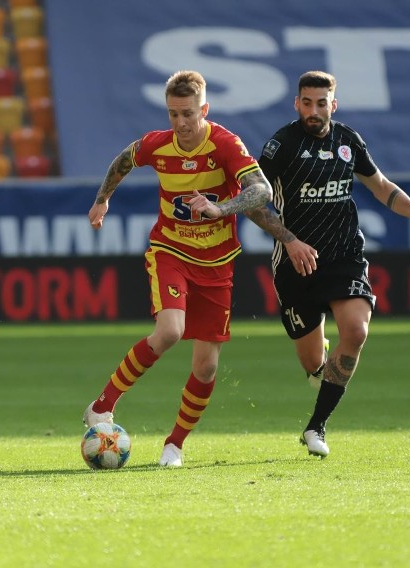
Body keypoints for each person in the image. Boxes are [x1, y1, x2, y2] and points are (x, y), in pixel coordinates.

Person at [247, 70, 410, 458]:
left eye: (322, 103)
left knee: (355, 332)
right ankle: (318, 354)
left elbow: (382, 186)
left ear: (333, 105)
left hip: (344, 258)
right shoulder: (281, 145)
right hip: (296, 263)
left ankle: (316, 427)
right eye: (307, 103)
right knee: (312, 363)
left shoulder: (348, 141)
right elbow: (253, 200)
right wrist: (290, 242)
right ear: (297, 103)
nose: (314, 111)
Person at [84, 70, 273, 467]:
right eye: (173, 114)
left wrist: (221, 207)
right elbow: (123, 160)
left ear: (204, 109)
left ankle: (174, 445)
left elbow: (262, 190)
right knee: (170, 331)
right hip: (170, 251)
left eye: (187, 113)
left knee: (206, 368)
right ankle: (102, 406)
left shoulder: (224, 143)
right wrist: (103, 199)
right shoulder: (159, 144)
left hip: (218, 264)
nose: (180, 123)